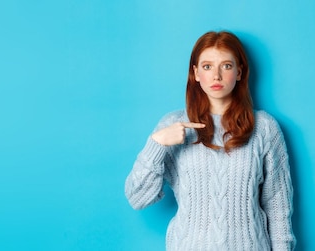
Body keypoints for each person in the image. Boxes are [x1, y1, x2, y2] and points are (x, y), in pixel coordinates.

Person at [124, 31, 295, 251]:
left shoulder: (264, 128)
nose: (216, 76)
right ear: (195, 73)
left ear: (240, 71)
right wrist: (157, 144)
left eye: (226, 66)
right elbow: (137, 198)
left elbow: (278, 206)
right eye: (207, 66)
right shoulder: (174, 124)